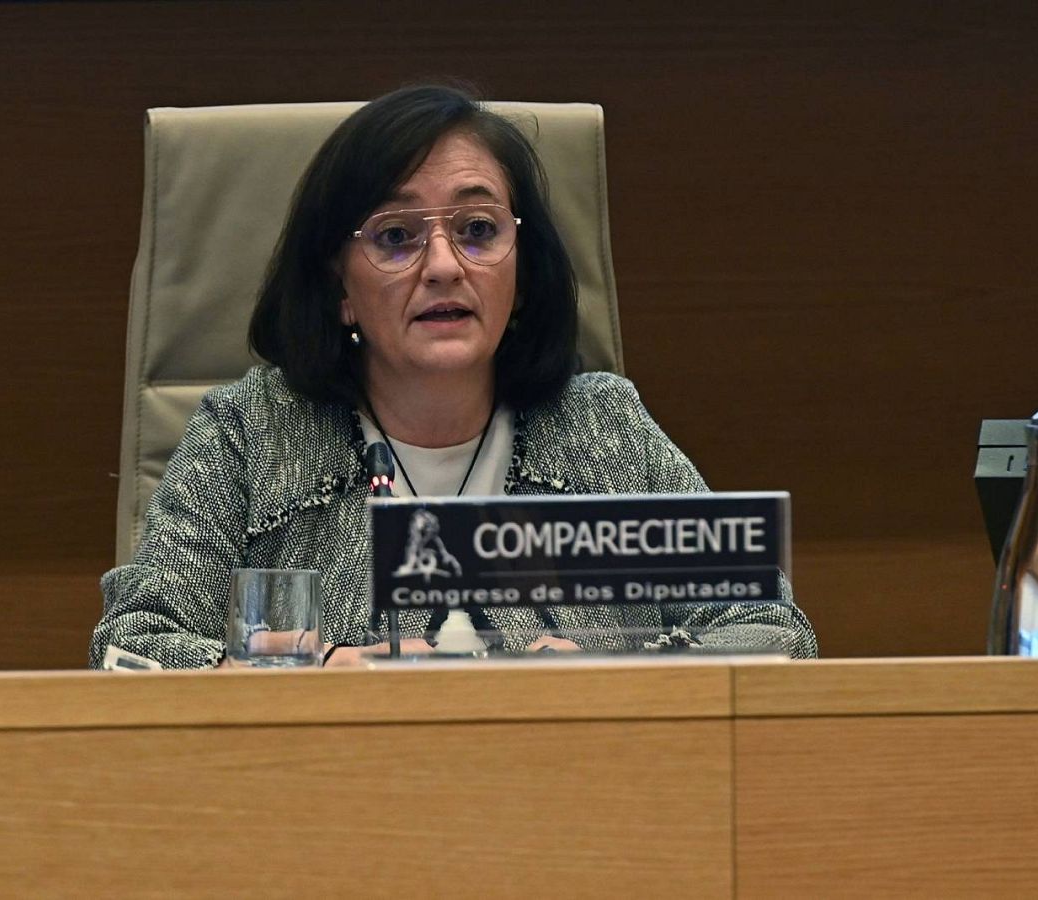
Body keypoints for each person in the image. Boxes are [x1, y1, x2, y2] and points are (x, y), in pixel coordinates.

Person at [90, 84, 817, 668]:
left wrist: (607, 663)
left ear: (522, 274)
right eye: (397, 237)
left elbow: (773, 633)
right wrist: (308, 678)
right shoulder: (250, 435)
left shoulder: (603, 428)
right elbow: (130, 647)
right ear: (340, 286)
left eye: (476, 230)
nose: (443, 265)